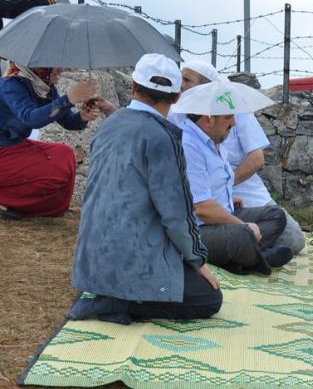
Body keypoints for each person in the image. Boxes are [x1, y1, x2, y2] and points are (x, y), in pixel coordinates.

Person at [69, 53, 222, 324]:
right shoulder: (162, 137)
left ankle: (109, 293)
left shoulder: (108, 126)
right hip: (132, 258)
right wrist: (198, 261)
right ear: (177, 98)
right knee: (209, 298)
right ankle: (120, 301)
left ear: (133, 88)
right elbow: (176, 213)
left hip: (91, 262)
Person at [176, 61, 305, 254]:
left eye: (186, 80)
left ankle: (245, 248)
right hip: (205, 202)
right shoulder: (178, 115)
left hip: (243, 194)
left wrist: (224, 187)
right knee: (245, 233)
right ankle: (252, 253)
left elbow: (257, 158)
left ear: (207, 87)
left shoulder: (234, 110)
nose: (180, 85)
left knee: (292, 239)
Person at [177, 98, 294, 276]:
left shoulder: (212, 139)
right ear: (208, 119)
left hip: (221, 215)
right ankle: (257, 259)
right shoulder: (189, 146)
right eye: (228, 117)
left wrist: (227, 199)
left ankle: (239, 258)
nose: (234, 122)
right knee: (242, 235)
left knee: (276, 216)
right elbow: (201, 209)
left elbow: (205, 189)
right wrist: (244, 226)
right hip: (197, 229)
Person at [0, 63, 100, 218]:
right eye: (55, 66)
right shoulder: (11, 84)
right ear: (42, 67)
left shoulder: (43, 87)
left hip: (14, 146)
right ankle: (15, 202)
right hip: (3, 149)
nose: (61, 69)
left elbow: (67, 121)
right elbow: (31, 119)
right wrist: (69, 99)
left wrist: (82, 117)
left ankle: (52, 209)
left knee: (64, 154)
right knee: (53, 172)